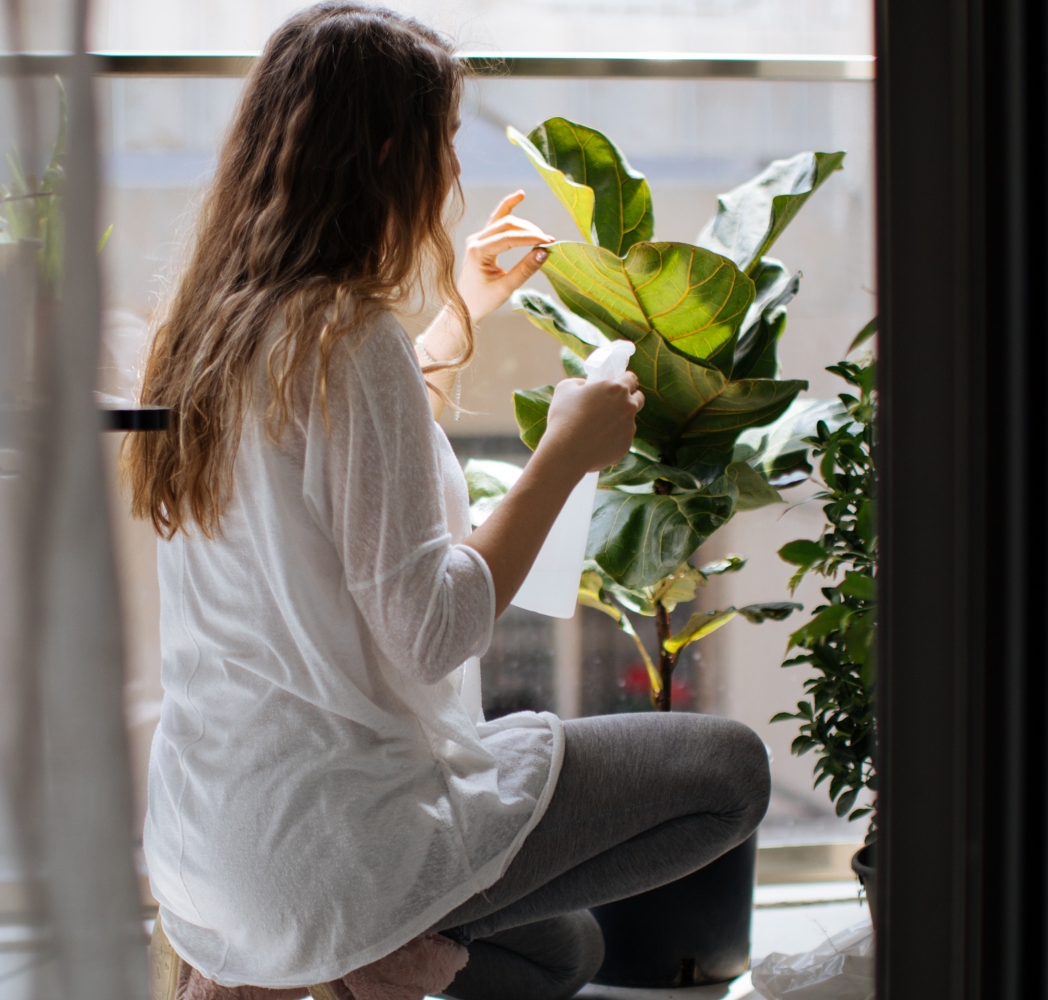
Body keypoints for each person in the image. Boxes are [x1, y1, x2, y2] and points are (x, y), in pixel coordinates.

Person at [124, 5, 770, 999]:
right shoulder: (350, 338)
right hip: (319, 842)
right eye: (442, 145)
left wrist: (457, 313)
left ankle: (316, 963)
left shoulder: (211, 329)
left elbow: (323, 480)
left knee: (562, 951)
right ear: (388, 152)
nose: (450, 178)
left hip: (206, 849)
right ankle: (316, 965)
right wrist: (561, 456)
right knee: (727, 773)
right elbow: (432, 630)